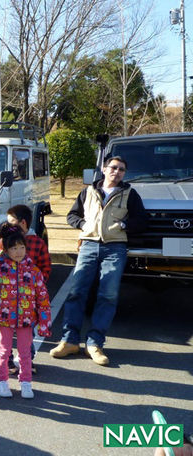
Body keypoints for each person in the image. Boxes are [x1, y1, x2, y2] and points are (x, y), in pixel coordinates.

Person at [50, 156, 147, 366]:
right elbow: (71, 215)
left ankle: (94, 344)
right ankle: (69, 341)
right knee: (76, 292)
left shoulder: (130, 194)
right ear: (104, 169)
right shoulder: (88, 191)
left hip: (115, 248)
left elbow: (142, 220)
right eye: (113, 167)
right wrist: (84, 225)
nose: (117, 172)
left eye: (122, 169)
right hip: (88, 245)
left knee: (108, 295)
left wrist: (123, 226)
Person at [0, 223, 51, 399]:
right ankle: (1, 380)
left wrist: (45, 322)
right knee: (4, 350)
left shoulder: (34, 271)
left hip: (27, 320)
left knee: (25, 352)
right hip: (4, 319)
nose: (19, 251)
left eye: (22, 247)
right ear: (5, 249)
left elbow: (43, 298)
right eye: (14, 248)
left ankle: (26, 382)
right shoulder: (0, 270)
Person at [0, 204, 51, 374]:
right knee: (5, 336)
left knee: (27, 334)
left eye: (13, 223)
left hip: (27, 303)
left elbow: (45, 267)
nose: (9, 226)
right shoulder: (4, 242)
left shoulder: (37, 242)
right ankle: (8, 362)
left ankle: (27, 359)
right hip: (6, 302)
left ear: (23, 223)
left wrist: (36, 285)